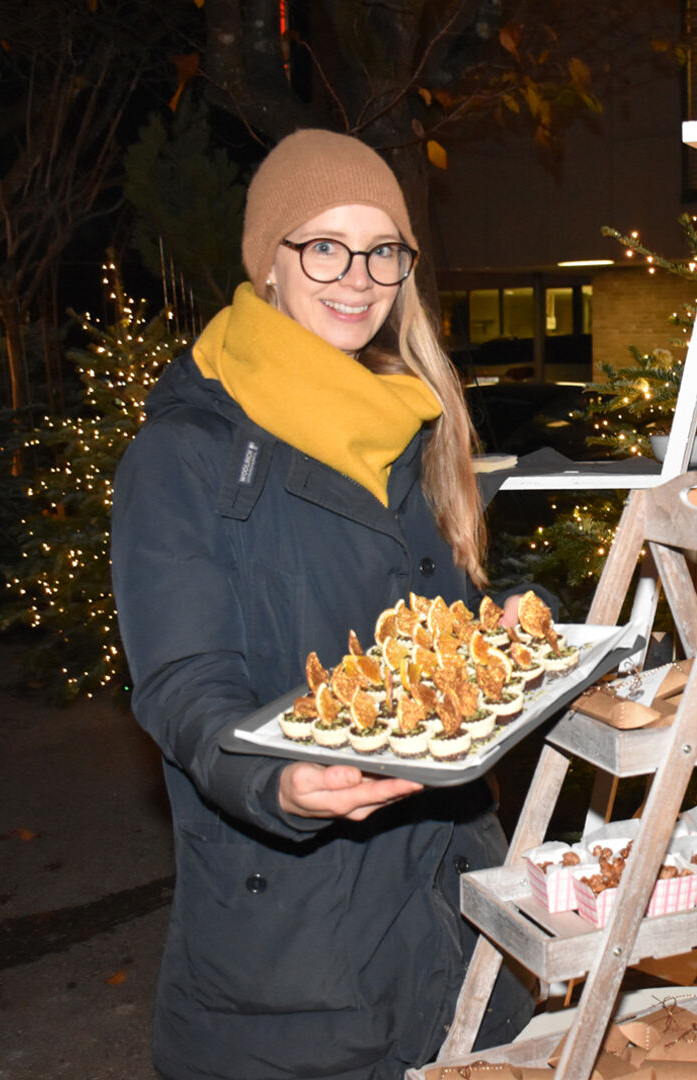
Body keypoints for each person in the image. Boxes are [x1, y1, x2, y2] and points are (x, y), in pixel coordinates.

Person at [111, 130, 531, 1080]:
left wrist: (502, 633)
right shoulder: (185, 456)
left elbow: (430, 635)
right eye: (324, 246)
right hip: (293, 937)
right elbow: (182, 684)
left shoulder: (409, 422)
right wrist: (278, 782)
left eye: (383, 249)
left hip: (451, 901)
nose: (360, 277)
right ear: (269, 259)